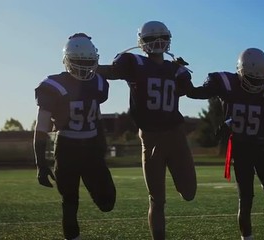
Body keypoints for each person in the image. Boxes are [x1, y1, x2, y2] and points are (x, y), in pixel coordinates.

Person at [97, 20, 197, 240]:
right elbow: (113, 72)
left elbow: (188, 91)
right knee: (156, 199)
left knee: (189, 193)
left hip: (176, 136)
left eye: (161, 37)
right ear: (142, 43)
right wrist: (88, 66)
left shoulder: (174, 68)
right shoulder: (134, 63)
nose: (157, 42)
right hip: (150, 139)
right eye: (151, 38)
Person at [187, 48, 264, 240]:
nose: (258, 84)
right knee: (245, 200)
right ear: (240, 72)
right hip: (241, 150)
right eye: (253, 79)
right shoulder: (227, 83)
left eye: (261, 79)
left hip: (262, 148)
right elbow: (196, 93)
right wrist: (181, 77)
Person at [33, 33, 116, 240]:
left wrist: (101, 148)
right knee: (70, 201)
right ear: (68, 60)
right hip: (67, 147)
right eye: (78, 61)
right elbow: (41, 128)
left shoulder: (98, 83)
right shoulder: (53, 85)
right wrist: (41, 163)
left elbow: (96, 118)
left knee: (108, 202)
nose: (83, 66)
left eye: (88, 61)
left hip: (91, 148)